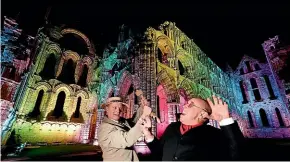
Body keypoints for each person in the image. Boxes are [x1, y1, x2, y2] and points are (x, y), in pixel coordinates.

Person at [142, 95, 245, 161]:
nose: (185, 106)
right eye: (187, 103)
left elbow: (237, 155)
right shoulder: (172, 128)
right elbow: (160, 153)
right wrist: (148, 135)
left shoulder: (213, 135)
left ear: (202, 114)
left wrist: (225, 120)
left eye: (191, 105)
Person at [97, 96, 152, 161]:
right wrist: (143, 116)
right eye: (114, 107)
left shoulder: (121, 121)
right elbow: (126, 139)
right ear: (107, 109)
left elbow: (133, 122)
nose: (118, 110)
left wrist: (142, 107)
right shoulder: (104, 129)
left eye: (120, 108)